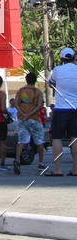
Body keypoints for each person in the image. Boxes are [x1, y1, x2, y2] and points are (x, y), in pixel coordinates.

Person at [48, 46, 77, 177]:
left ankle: (58, 169)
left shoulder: (57, 70)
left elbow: (51, 83)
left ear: (62, 59)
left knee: (57, 138)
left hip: (61, 109)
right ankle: (75, 169)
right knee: (75, 138)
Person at [13, 73, 45, 175]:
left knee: (21, 141)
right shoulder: (38, 92)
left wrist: (23, 114)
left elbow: (16, 104)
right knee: (39, 141)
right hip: (35, 119)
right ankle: (41, 163)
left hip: (22, 119)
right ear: (35, 80)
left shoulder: (20, 91)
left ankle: (17, 160)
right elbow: (39, 105)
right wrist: (30, 114)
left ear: (26, 80)